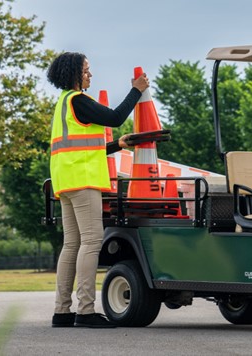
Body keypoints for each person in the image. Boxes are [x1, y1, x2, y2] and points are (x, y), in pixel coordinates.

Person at [47, 52, 148, 328]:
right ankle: (86, 311)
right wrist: (136, 91)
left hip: (66, 181)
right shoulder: (79, 100)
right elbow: (115, 117)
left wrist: (119, 145)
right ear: (74, 74)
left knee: (72, 244)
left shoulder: (63, 104)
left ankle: (62, 312)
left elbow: (86, 147)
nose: (90, 75)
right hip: (84, 181)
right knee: (92, 243)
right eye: (86, 70)